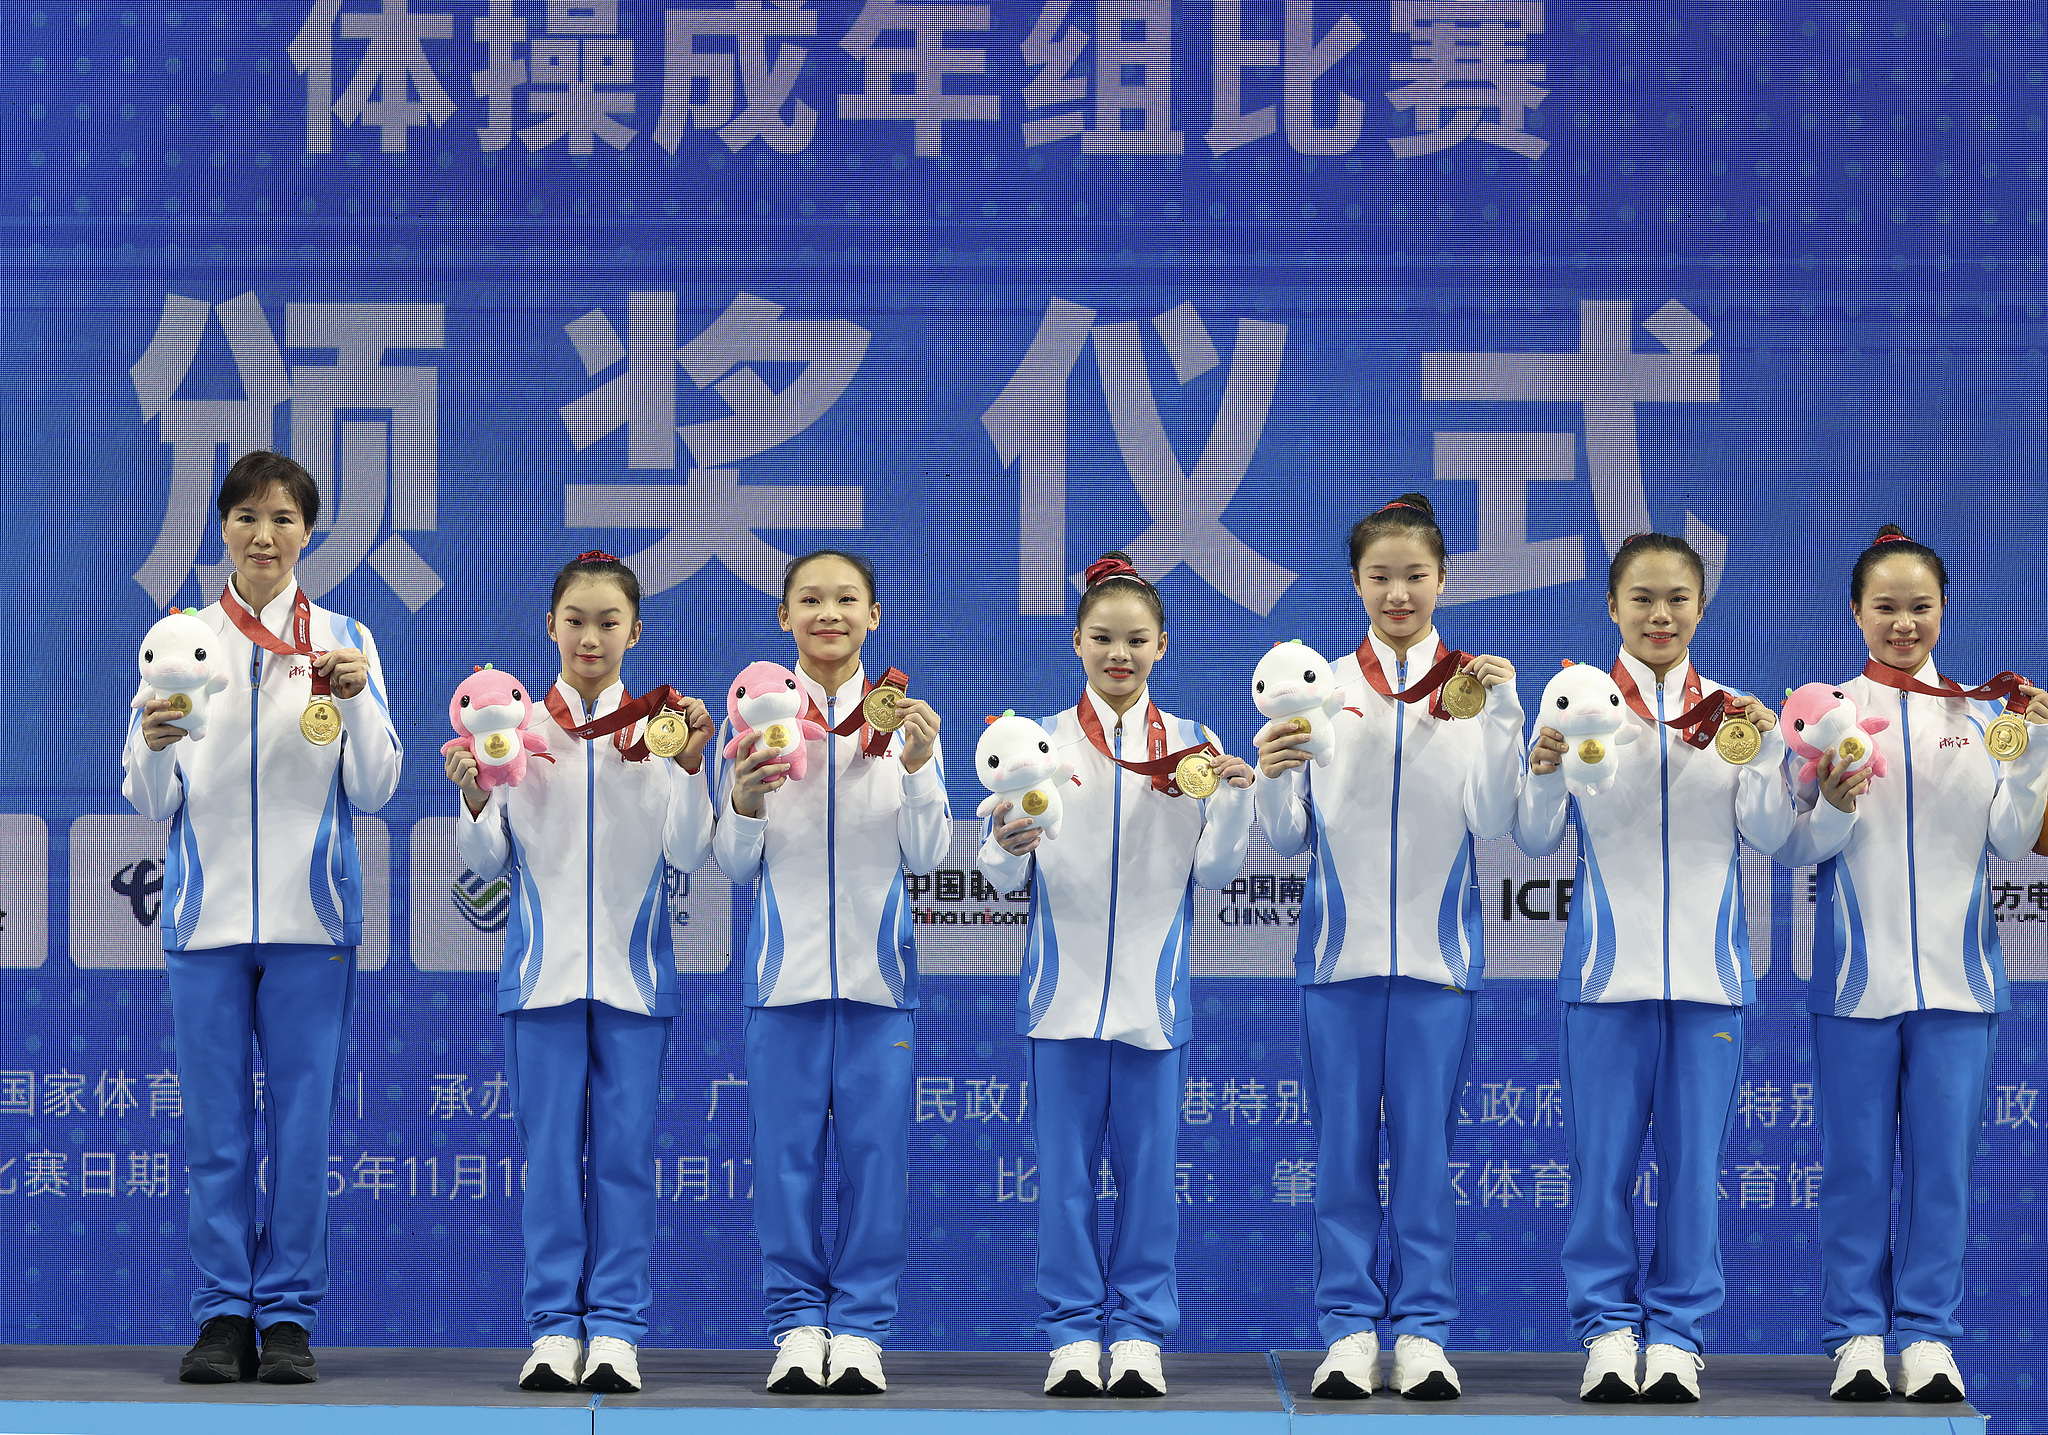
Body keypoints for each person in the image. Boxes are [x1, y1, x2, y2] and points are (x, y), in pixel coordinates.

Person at [121, 451, 402, 1385]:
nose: (264, 535)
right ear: (223, 528)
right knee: (214, 1131)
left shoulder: (347, 640)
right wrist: (152, 744)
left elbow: (378, 784)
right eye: (246, 517)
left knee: (302, 1129)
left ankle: (286, 1315)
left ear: (308, 532)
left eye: (282, 518)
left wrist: (355, 704)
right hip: (204, 921)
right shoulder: (180, 638)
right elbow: (145, 794)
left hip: (311, 920)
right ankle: (221, 1314)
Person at [1254, 493, 1522, 1401]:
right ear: (1356, 583)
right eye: (1380, 577)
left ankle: (1423, 1332)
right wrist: (1273, 777)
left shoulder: (1474, 689)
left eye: (1415, 575)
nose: (1398, 593)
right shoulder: (1318, 685)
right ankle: (1346, 1329)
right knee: (1340, 1155)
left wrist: (1502, 719)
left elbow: (1496, 817)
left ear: (1444, 578)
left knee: (1424, 1159)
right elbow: (1288, 837)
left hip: (1440, 968)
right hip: (1339, 963)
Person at [1513, 533, 1792, 1403]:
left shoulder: (1735, 716)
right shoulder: (1574, 706)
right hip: (1606, 979)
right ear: (1612, 607)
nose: (1660, 614)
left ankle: (1676, 1335)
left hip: (1710, 981)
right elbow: (1534, 836)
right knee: (1600, 1170)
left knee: (1694, 1169)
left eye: (1677, 598)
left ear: (1702, 606)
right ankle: (1605, 1329)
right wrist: (1543, 770)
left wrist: (1770, 757)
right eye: (1642, 597)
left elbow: (1772, 834)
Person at [1771, 525, 2048, 1404]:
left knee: (1942, 1173)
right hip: (1856, 985)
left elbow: (2012, 840)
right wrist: (1830, 799)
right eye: (1885, 606)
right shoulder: (1822, 715)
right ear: (1855, 611)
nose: (1903, 623)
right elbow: (1792, 842)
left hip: (1961, 987)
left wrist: (2036, 753)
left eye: (1919, 606)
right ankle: (1856, 1333)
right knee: (1855, 1170)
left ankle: (1927, 1335)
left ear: (1943, 609)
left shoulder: (1987, 717)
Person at [975, 552, 1256, 1399]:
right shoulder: (1034, 742)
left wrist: (1234, 799)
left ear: (1163, 644)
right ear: (1077, 641)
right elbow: (997, 873)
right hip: (1058, 1002)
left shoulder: (1198, 747)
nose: (1119, 653)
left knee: (1149, 1185)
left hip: (1153, 1003)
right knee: (1063, 1184)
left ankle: (1137, 1334)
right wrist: (1004, 846)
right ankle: (1070, 1334)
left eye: (1136, 639)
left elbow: (1215, 872)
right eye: (1103, 637)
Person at [447, 550, 716, 1395]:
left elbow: (689, 851)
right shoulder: (512, 725)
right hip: (541, 982)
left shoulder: (660, 728)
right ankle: (554, 1329)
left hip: (636, 983)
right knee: (551, 1164)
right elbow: (485, 862)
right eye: (576, 620)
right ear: (550, 626)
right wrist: (474, 796)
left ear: (636, 631)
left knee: (626, 1161)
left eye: (609, 622)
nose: (590, 636)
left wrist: (690, 765)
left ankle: (618, 1330)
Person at [711, 549, 950, 1396]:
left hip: (880, 984)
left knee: (877, 1163)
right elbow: (732, 863)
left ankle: (858, 1330)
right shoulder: (752, 719)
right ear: (784, 617)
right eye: (809, 599)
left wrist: (917, 765)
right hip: (784, 983)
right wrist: (743, 800)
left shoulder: (907, 723)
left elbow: (929, 851)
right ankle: (795, 1325)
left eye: (846, 598)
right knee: (785, 1166)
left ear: (873, 615)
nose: (828, 613)